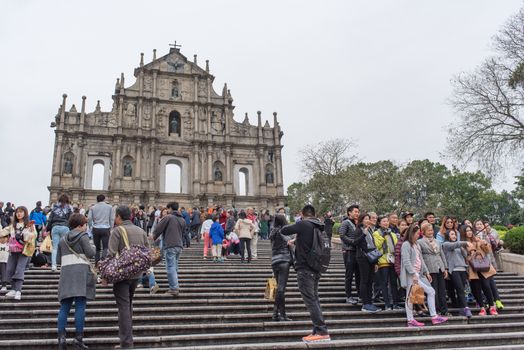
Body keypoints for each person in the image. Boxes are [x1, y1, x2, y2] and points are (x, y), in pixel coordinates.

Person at [281, 205, 330, 343]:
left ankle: (321, 330)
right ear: (314, 214)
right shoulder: (318, 225)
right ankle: (317, 329)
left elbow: (284, 230)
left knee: (310, 300)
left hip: (305, 268)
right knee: (314, 298)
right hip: (315, 267)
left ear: (302, 214)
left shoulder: (303, 224)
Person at [108, 205, 149, 349]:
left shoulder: (117, 231)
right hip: (135, 274)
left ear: (119, 216)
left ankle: (126, 343)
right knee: (128, 304)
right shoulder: (141, 231)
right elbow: (147, 252)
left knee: (124, 307)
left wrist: (106, 275)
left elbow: (111, 254)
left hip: (121, 274)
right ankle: (126, 340)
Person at [56, 213, 95, 350]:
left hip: (66, 274)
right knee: (80, 306)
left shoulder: (62, 239)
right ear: (80, 225)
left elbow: (57, 260)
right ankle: (78, 339)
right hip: (80, 274)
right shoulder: (83, 236)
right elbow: (90, 253)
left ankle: (61, 339)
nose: (86, 227)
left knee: (64, 307)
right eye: (85, 224)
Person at [400, 224, 448, 327]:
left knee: (429, 292)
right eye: (417, 234)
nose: (418, 236)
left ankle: (434, 316)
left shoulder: (416, 244)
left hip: (419, 274)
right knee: (411, 297)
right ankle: (411, 320)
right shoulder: (406, 244)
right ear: (412, 233)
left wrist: (426, 272)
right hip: (411, 275)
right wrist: (413, 273)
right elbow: (406, 261)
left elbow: (420, 259)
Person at [462, 225, 502, 315]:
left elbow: (487, 250)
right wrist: (470, 250)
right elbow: (464, 256)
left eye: (470, 230)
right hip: (472, 268)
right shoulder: (463, 243)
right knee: (476, 288)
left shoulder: (478, 240)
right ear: (464, 233)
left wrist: (485, 244)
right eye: (467, 231)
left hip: (483, 266)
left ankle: (492, 306)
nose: (469, 232)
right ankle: (482, 308)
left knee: (486, 286)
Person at [153, 201, 186, 296]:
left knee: (170, 266)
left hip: (170, 244)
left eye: (167, 209)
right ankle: (174, 285)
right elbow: (184, 232)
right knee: (175, 266)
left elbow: (158, 229)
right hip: (179, 245)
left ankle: (174, 288)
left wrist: (154, 238)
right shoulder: (182, 219)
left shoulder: (168, 217)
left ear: (170, 208)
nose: (167, 211)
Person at [3, 206, 35, 300]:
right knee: (9, 270)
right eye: (17, 212)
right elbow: (3, 231)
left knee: (19, 270)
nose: (19, 214)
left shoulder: (29, 225)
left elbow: (34, 235)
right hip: (13, 250)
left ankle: (18, 291)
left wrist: (25, 234)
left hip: (24, 251)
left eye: (21, 212)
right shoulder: (12, 225)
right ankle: (13, 289)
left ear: (25, 213)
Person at [418, 223, 449, 316]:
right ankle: (436, 310)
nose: (431, 232)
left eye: (431, 230)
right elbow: (421, 258)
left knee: (442, 291)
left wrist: (445, 268)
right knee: (433, 290)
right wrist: (425, 271)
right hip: (429, 268)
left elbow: (442, 255)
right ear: (423, 232)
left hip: (440, 267)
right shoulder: (420, 242)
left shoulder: (437, 241)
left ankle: (444, 310)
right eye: (428, 230)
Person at [354, 213, 381, 313]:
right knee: (364, 280)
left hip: (371, 258)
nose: (367, 221)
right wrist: (363, 234)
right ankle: (365, 304)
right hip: (362, 258)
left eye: (368, 219)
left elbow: (373, 245)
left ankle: (370, 302)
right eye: (365, 219)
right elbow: (355, 242)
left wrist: (376, 261)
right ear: (361, 220)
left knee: (370, 280)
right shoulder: (359, 230)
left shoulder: (369, 229)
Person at [373, 216, 401, 310]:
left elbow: (396, 246)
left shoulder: (392, 234)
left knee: (394, 283)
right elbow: (376, 246)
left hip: (392, 261)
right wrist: (383, 236)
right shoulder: (376, 233)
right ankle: (387, 304)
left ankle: (395, 303)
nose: (386, 223)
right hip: (382, 261)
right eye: (383, 221)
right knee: (384, 283)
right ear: (379, 223)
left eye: (387, 221)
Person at [442, 229, 472, 318]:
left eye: (455, 234)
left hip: (462, 269)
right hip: (454, 270)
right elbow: (454, 245)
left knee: (462, 289)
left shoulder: (459, 245)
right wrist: (465, 242)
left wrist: (463, 248)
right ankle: (466, 308)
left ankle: (462, 308)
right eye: (452, 234)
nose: (454, 236)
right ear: (448, 236)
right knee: (460, 289)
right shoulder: (446, 244)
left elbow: (465, 256)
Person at [270, 214, 294, 321]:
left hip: (275, 261)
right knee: (281, 289)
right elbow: (289, 243)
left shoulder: (273, 232)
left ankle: (277, 313)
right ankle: (280, 314)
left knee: (280, 288)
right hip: (284, 260)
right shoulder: (284, 231)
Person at [339, 205, 360, 305]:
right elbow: (342, 235)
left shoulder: (357, 223)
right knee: (349, 275)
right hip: (349, 251)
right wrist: (352, 242)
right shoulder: (345, 222)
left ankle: (360, 295)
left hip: (357, 252)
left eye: (358, 212)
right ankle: (349, 296)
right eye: (355, 212)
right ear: (349, 213)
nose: (357, 213)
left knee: (358, 274)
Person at [47, 194, 73, 271]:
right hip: (65, 227)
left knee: (55, 248)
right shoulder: (68, 208)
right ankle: (63, 265)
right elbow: (71, 219)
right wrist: (71, 229)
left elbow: (50, 219)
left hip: (55, 227)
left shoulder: (54, 208)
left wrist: (48, 229)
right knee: (65, 247)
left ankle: (53, 265)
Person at [87, 194, 115, 264]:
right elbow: (112, 218)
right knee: (105, 247)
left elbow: (89, 218)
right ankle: (103, 261)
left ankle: (96, 264)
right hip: (106, 228)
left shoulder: (92, 208)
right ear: (104, 199)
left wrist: (91, 226)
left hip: (96, 228)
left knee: (97, 248)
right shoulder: (110, 207)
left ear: (97, 200)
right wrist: (111, 228)